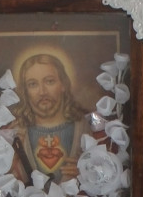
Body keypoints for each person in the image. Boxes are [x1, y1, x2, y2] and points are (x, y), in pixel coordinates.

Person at [7, 50, 88, 185]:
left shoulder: (84, 127)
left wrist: (86, 174)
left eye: (49, 81)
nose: (42, 92)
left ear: (63, 84)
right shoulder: (13, 133)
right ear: (25, 91)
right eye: (33, 84)